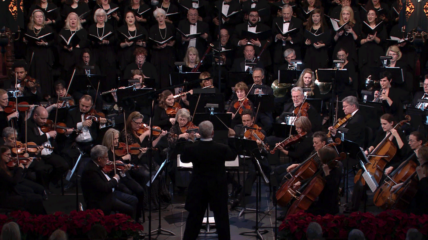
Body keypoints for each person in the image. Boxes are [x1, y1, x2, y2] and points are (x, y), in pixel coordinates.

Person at [181, 120, 237, 240]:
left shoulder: (192, 148)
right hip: (217, 186)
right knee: (221, 217)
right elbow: (232, 156)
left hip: (198, 186)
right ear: (213, 133)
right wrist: (232, 138)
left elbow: (184, 158)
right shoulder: (221, 148)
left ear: (199, 133)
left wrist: (189, 140)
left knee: (194, 218)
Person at [346, 113, 410, 212]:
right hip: (379, 159)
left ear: (392, 123)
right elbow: (374, 144)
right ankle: (355, 204)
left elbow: (403, 151)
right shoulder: (382, 132)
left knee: (365, 179)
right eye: (381, 124)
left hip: (392, 163)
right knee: (361, 176)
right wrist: (368, 151)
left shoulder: (399, 133)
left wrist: (396, 134)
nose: (382, 126)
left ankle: (358, 204)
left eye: (385, 124)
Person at [228, 109, 271, 209]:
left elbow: (265, 151)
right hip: (239, 156)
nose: (246, 123)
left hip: (251, 158)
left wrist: (260, 146)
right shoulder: (237, 128)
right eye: (244, 121)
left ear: (253, 120)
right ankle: (236, 186)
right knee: (223, 167)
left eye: (248, 121)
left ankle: (241, 197)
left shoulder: (260, 132)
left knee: (252, 171)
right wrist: (233, 136)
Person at [80, 145, 137, 218]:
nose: (108, 160)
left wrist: (121, 173)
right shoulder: (91, 171)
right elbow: (105, 187)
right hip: (101, 200)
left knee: (134, 200)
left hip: (109, 193)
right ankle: (127, 225)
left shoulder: (96, 165)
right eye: (106, 157)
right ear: (99, 159)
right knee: (129, 209)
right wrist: (115, 178)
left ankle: (134, 222)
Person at [102, 128, 145, 222]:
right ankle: (128, 218)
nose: (117, 141)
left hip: (125, 176)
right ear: (109, 139)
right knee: (128, 192)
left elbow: (132, 162)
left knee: (140, 190)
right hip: (116, 179)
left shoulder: (120, 149)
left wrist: (138, 156)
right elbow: (108, 169)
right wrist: (122, 159)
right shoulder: (106, 153)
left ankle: (138, 215)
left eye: (117, 139)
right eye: (114, 139)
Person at [27, 106, 69, 191]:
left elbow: (58, 141)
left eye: (46, 119)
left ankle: (51, 183)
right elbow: (33, 141)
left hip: (49, 153)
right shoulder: (27, 125)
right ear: (35, 116)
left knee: (64, 166)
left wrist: (62, 134)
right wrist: (48, 135)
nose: (45, 121)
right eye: (42, 119)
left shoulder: (48, 124)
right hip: (37, 155)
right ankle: (43, 188)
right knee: (41, 170)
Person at [0, 146, 46, 214]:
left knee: (35, 197)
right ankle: (39, 218)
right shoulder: (1, 170)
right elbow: (14, 182)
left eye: (10, 154)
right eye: (8, 154)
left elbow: (19, 177)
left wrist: (25, 167)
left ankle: (39, 217)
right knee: (35, 199)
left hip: (11, 192)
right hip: (5, 198)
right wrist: (20, 168)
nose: (10, 156)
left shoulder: (5, 166)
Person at [25, 9, 55, 97]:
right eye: (37, 17)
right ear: (33, 18)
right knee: (34, 74)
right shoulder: (29, 29)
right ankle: (35, 94)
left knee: (44, 75)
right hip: (33, 55)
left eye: (41, 17)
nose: (39, 19)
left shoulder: (48, 28)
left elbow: (53, 41)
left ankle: (45, 94)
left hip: (44, 55)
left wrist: (45, 43)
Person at [88, 9, 117, 92]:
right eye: (99, 16)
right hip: (96, 52)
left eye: (102, 16)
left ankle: (108, 93)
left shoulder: (109, 26)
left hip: (107, 53)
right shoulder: (92, 27)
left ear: (105, 17)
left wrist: (107, 41)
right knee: (97, 72)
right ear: (95, 17)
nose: (101, 17)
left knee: (108, 73)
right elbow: (89, 40)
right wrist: (96, 42)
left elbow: (114, 38)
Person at [358, 9, 387, 90]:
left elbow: (383, 41)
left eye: (372, 14)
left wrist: (375, 38)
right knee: (364, 77)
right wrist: (366, 40)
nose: (370, 16)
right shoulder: (362, 26)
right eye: (368, 14)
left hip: (376, 55)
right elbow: (358, 41)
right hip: (365, 55)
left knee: (375, 77)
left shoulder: (381, 27)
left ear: (376, 16)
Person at [149, 8, 176, 89]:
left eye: (161, 16)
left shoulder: (170, 27)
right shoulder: (153, 28)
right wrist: (157, 46)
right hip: (157, 56)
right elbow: (150, 43)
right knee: (158, 76)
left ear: (165, 16)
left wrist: (172, 43)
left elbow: (175, 39)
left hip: (168, 55)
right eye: (158, 17)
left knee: (167, 76)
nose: (160, 18)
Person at [58, 12, 88, 80]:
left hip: (78, 56)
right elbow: (59, 41)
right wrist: (65, 47)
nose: (73, 21)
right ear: (68, 21)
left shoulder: (82, 31)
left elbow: (86, 41)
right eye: (71, 19)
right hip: (66, 56)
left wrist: (78, 45)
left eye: (75, 19)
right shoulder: (63, 31)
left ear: (77, 20)